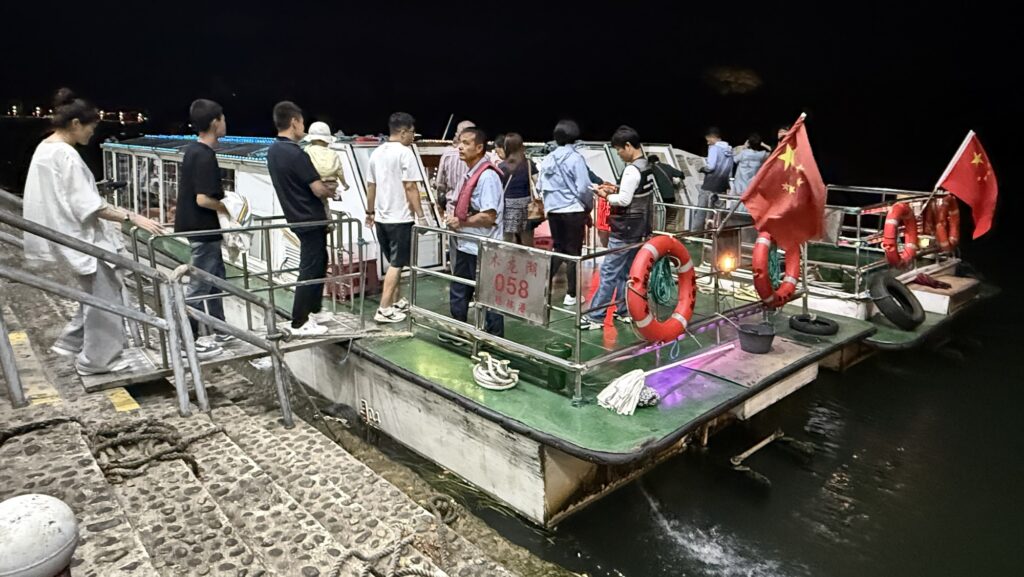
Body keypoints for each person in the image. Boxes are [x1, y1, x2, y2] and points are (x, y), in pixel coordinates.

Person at [22, 88, 164, 375]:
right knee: (105, 302)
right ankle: (97, 362)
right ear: (76, 123)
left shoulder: (45, 148)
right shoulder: (66, 155)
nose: (92, 133)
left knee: (99, 296)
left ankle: (71, 343)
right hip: (82, 239)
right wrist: (132, 216)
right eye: (91, 127)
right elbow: (88, 204)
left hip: (64, 235)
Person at [266, 101, 339, 337]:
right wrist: (331, 191)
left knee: (319, 261)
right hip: (310, 218)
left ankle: (314, 310)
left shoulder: (274, 151)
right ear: (294, 122)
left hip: (296, 216)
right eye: (302, 123)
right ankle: (299, 321)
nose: (303, 128)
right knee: (310, 267)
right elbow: (317, 189)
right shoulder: (296, 153)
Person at [175, 98, 235, 359]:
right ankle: (188, 340)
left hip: (199, 228)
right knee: (199, 286)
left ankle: (220, 328)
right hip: (203, 229)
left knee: (215, 281)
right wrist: (229, 209)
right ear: (214, 122)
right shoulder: (205, 155)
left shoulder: (192, 150)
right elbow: (203, 199)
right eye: (222, 118)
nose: (225, 122)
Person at [581, 126, 654, 330]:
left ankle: (595, 316)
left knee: (609, 272)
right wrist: (616, 189)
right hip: (640, 228)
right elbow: (635, 193)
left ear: (628, 146)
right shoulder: (646, 166)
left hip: (624, 229)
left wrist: (604, 194)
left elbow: (623, 200)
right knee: (626, 272)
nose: (619, 154)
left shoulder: (631, 169)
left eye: (619, 150)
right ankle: (623, 310)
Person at [365, 112, 427, 323]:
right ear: (403, 132)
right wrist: (421, 216)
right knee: (397, 264)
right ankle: (383, 309)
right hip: (400, 218)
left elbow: (371, 186)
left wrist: (369, 212)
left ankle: (396, 300)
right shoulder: (405, 153)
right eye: (412, 132)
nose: (413, 136)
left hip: (381, 219)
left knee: (393, 262)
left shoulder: (376, 153)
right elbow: (410, 186)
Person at [445, 127, 504, 337]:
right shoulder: (470, 173)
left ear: (479, 148)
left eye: (466, 143)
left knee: (487, 296)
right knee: (460, 289)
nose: (460, 147)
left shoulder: (487, 177)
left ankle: (494, 338)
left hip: (483, 246)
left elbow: (489, 216)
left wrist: (461, 223)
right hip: (467, 244)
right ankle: (459, 330)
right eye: (460, 142)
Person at [538, 120, 592, 306]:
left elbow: (540, 186)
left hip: (553, 211)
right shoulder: (576, 158)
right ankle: (572, 294)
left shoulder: (548, 158)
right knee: (573, 253)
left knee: (559, 249)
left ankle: (543, 285)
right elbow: (584, 187)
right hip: (573, 211)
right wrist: (587, 207)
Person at [435, 120, 476, 271]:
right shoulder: (481, 157)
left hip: (453, 209)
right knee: (473, 250)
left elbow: (440, 185)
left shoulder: (447, 155)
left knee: (455, 251)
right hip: (473, 211)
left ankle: (456, 277)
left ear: (457, 134)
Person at [302, 121, 349, 219]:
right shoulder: (333, 153)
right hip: (331, 185)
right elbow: (340, 171)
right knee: (324, 202)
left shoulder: (307, 151)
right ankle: (328, 221)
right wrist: (344, 184)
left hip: (315, 185)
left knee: (319, 203)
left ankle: (325, 221)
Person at [498, 133, 537, 246]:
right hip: (527, 205)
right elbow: (538, 183)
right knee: (527, 238)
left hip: (508, 205)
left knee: (507, 239)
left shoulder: (502, 166)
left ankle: (508, 256)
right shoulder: (528, 163)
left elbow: (498, 188)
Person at [695, 127, 734, 232]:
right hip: (722, 186)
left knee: (701, 211)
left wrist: (702, 168)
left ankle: (695, 234)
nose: (708, 143)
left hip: (710, 185)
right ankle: (717, 234)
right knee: (719, 214)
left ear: (713, 137)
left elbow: (711, 167)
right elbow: (730, 170)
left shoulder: (714, 148)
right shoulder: (729, 150)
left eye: (708, 140)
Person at [648, 155, 686, 230]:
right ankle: (663, 227)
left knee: (657, 213)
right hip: (670, 195)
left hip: (660, 195)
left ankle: (659, 228)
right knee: (665, 211)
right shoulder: (667, 166)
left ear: (650, 162)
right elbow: (681, 174)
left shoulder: (652, 168)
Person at [733, 133, 769, 197]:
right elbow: (775, 152)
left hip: (739, 187)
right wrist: (763, 144)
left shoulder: (743, 153)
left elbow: (733, 155)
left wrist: (744, 146)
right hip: (752, 188)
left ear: (749, 143)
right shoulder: (762, 155)